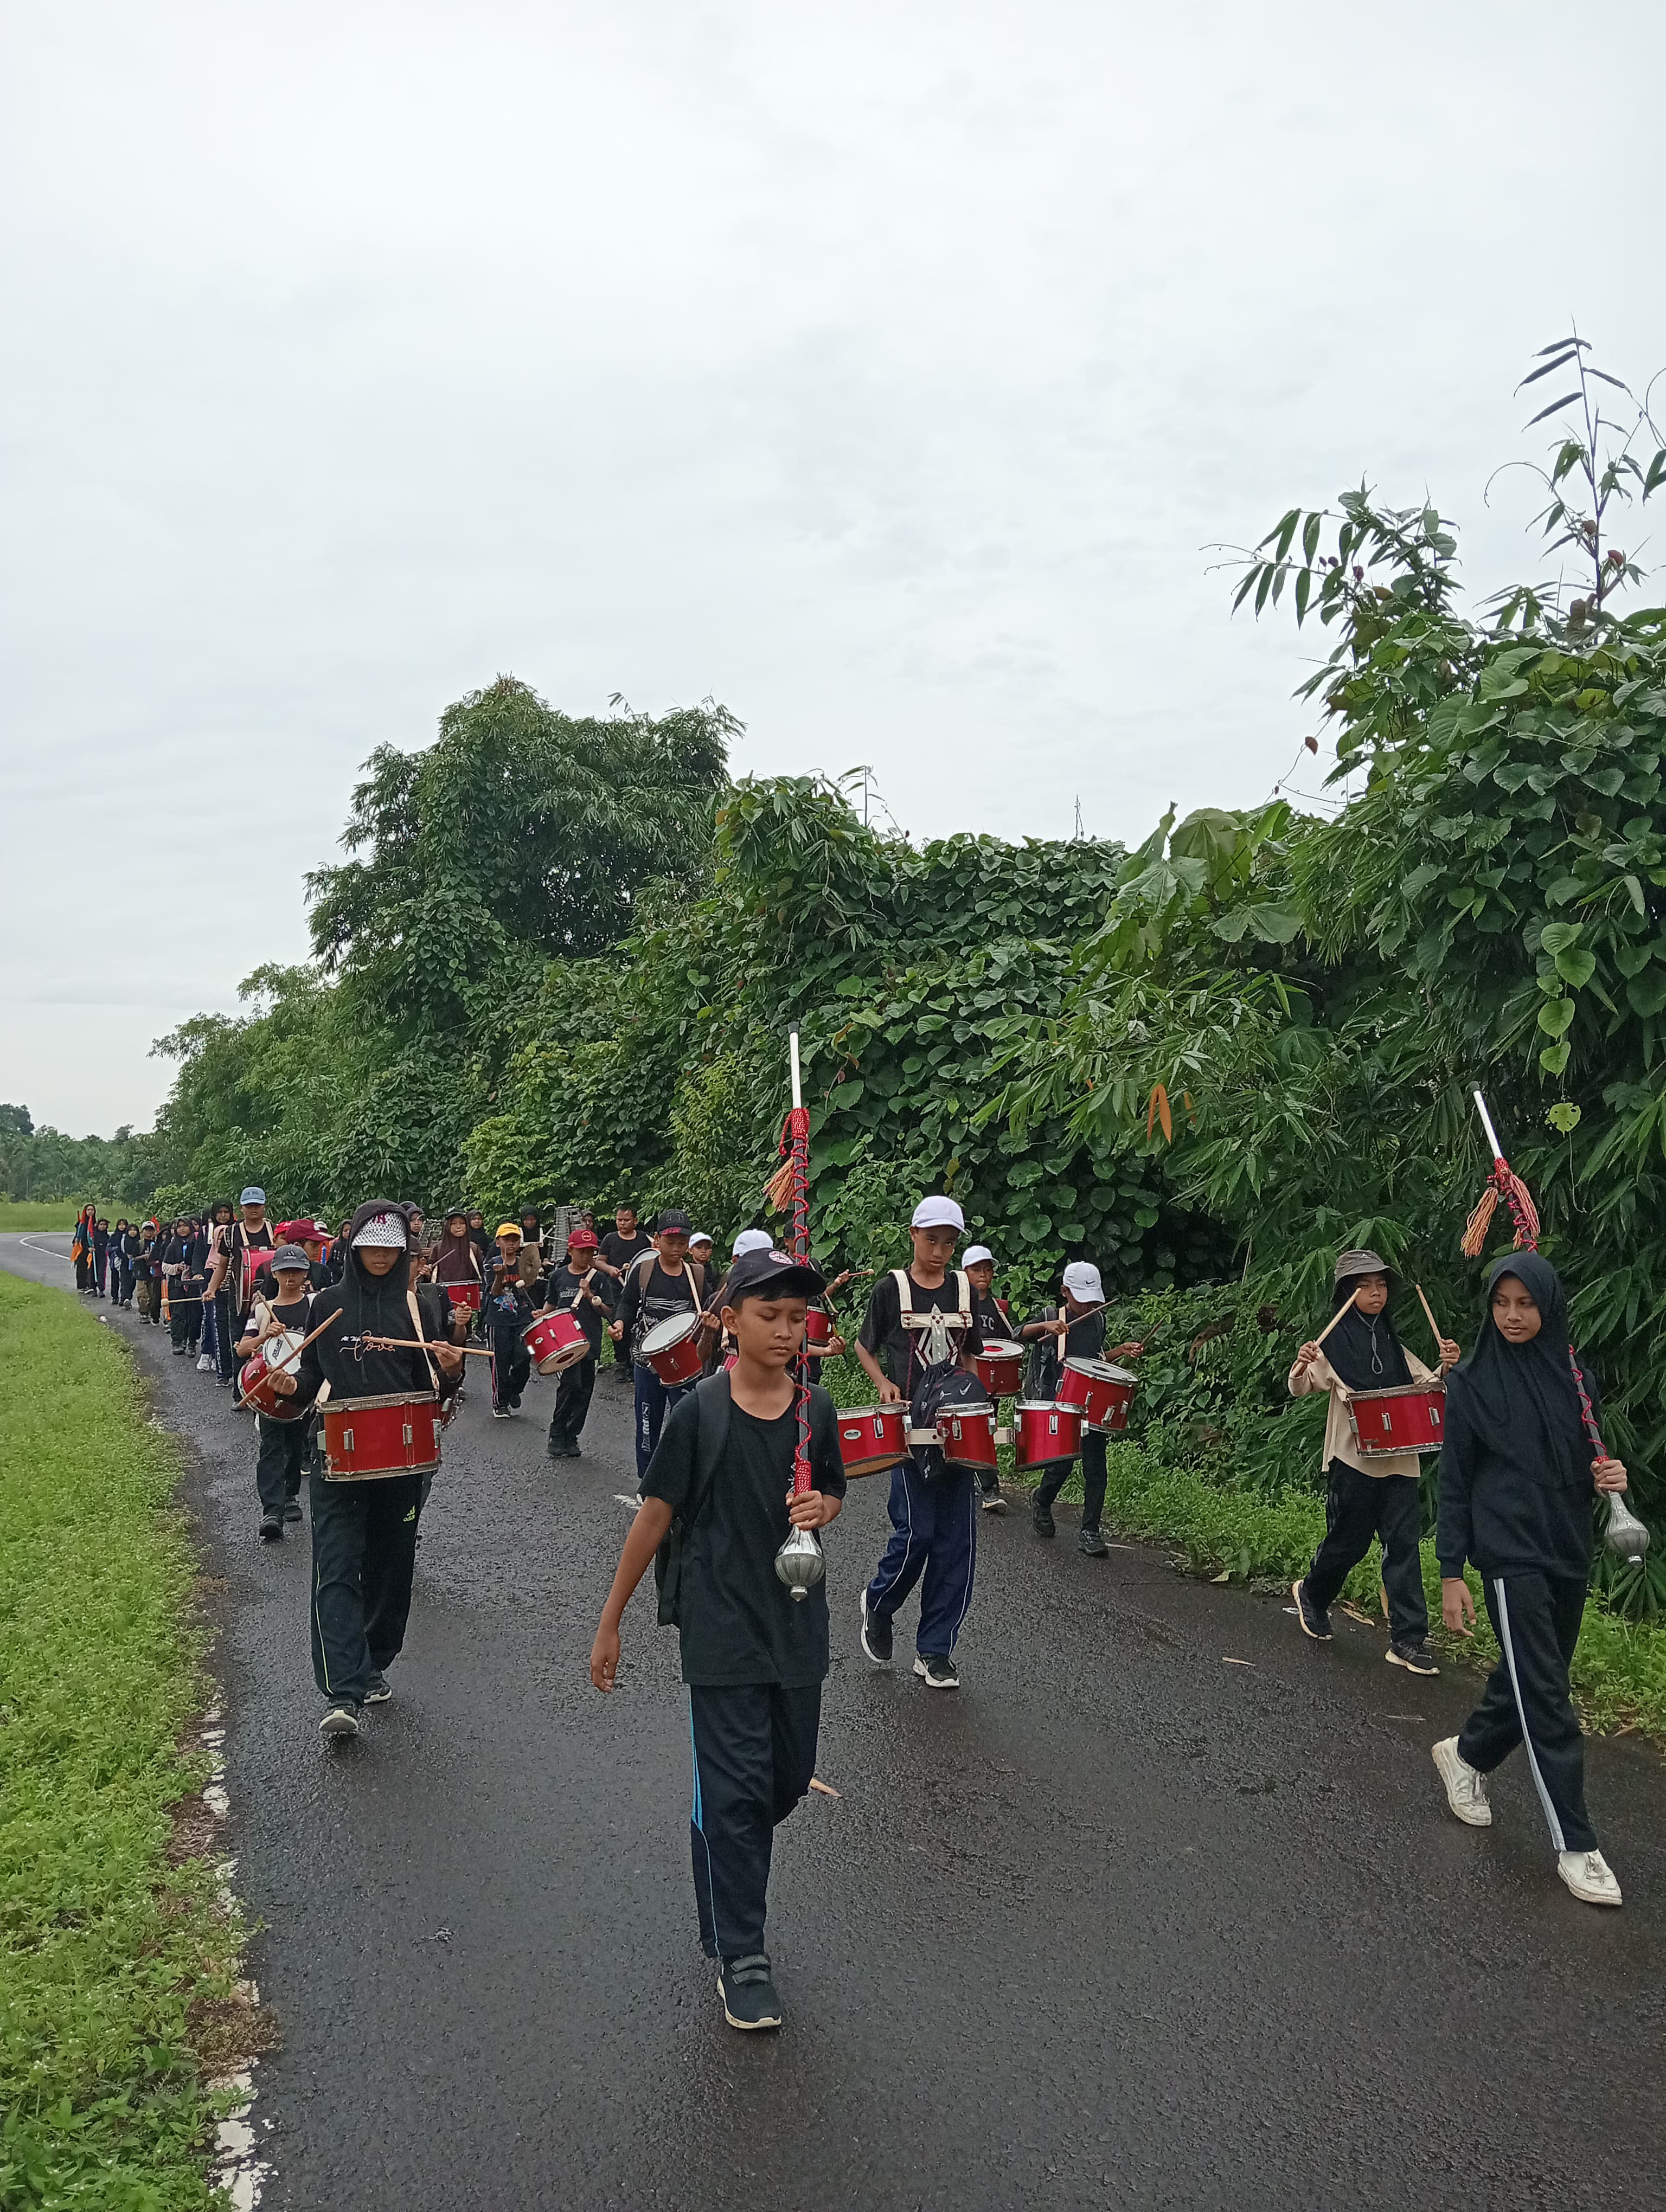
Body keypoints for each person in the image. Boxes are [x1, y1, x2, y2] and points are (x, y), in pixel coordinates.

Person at [589, 1245, 845, 2031]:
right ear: (729, 1320)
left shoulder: (816, 1410)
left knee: (783, 1781)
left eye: (798, 1318)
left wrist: (823, 1509)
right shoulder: (700, 1412)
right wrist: (611, 1619)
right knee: (736, 1794)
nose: (786, 1331)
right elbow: (655, 1515)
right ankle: (743, 1954)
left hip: (796, 1624)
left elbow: (833, 1489)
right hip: (720, 1627)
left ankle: (717, 1838)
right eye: (770, 1316)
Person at [1431, 1253, 1629, 1908]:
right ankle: (1577, 1845)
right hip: (1508, 1554)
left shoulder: (1575, 1379)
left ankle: (1467, 1756)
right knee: (1546, 1695)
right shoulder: (1471, 1384)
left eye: (1526, 1304)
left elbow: (1584, 1461)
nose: (1512, 1316)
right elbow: (1454, 1484)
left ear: (1549, 1307)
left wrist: (1608, 1477)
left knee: (1533, 1679)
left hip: (1566, 1548)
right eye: (1501, 1303)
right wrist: (1452, 1571)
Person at [272, 1202, 464, 1737]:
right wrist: (291, 1387)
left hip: (402, 1464)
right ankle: (343, 1691)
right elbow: (312, 1378)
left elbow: (437, 1388)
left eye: (391, 1249)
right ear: (353, 1248)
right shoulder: (327, 1304)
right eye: (370, 1247)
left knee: (390, 1569)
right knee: (336, 1567)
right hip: (338, 1454)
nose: (380, 1257)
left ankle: (374, 1661)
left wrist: (452, 1370)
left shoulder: (420, 1307)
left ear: (404, 1252)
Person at [1288, 1249, 1459, 1672]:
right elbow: (1300, 1387)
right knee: (1348, 1543)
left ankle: (1408, 1640)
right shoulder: (1332, 1344)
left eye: (1381, 1285)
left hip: (1400, 1460)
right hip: (1354, 1461)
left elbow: (1427, 1385)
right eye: (1364, 1286)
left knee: (1403, 1546)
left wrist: (1447, 1367)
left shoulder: (1392, 1343)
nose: (1376, 1293)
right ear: (1348, 1292)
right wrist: (1302, 1363)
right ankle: (1312, 1593)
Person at [854, 1195, 986, 1689]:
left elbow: (971, 1356)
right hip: (909, 1433)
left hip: (957, 1434)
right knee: (917, 1534)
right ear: (913, 1235)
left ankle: (934, 1651)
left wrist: (974, 1402)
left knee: (956, 1544)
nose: (939, 1251)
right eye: (931, 1240)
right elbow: (864, 1346)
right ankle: (879, 1602)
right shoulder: (891, 1289)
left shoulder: (964, 1290)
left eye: (949, 1243)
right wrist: (883, 1384)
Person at [1020, 1261, 1144, 1558]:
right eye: (1082, 1300)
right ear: (1065, 1292)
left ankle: (1091, 1530)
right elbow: (1018, 1333)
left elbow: (1096, 1361)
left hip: (1092, 1404)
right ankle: (1042, 1500)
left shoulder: (1098, 1320)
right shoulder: (1053, 1316)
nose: (1089, 1306)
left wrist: (1121, 1351)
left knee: (1096, 1469)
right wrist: (1046, 1327)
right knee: (1061, 1465)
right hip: (1060, 1402)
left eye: (1093, 1301)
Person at [615, 1210, 713, 1487]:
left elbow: (709, 1307)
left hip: (686, 1363)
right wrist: (620, 1323)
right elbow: (627, 1303)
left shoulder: (696, 1274)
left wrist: (712, 1325)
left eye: (682, 1243)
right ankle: (647, 1481)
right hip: (648, 1363)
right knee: (648, 1423)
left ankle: (682, 1480)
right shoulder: (644, 1271)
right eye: (670, 1242)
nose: (677, 1248)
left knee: (686, 1423)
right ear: (657, 1240)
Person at [236, 1245, 316, 1541]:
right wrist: (263, 1336)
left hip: (303, 1387)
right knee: (271, 1448)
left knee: (296, 1445)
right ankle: (272, 1510)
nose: (290, 1277)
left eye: (296, 1271)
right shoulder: (263, 1308)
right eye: (285, 1272)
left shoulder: (314, 1305)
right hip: (270, 1389)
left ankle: (290, 1495)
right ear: (275, 1273)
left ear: (306, 1273)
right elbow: (242, 1349)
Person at [540, 1225, 615, 1458]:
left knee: (584, 1391)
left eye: (591, 1251)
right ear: (570, 1250)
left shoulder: (599, 1278)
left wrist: (591, 1295)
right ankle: (557, 1434)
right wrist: (541, 1315)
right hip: (566, 1342)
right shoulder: (558, 1276)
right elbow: (552, 1304)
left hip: (589, 1341)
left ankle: (572, 1436)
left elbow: (608, 1312)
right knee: (570, 1386)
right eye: (582, 1251)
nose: (586, 1256)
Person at [205, 1189, 277, 1389]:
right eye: (249, 1205)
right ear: (242, 1208)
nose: (254, 1209)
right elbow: (222, 1265)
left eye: (257, 1205)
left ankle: (266, 1390)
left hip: (271, 1297)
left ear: (264, 1206)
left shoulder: (274, 1230)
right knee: (239, 1344)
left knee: (269, 1341)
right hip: (238, 1298)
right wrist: (212, 1289)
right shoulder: (230, 1233)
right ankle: (240, 1392)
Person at [962, 1244, 1014, 1513]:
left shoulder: (999, 1308)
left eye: (988, 1269)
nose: (983, 1274)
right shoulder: (957, 1304)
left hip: (991, 1381)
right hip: (960, 1377)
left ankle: (989, 1488)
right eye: (976, 1269)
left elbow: (1008, 1344)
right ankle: (981, 1484)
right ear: (965, 1272)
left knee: (986, 1428)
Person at [484, 1224, 536, 1418]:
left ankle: (514, 1389)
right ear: (498, 1242)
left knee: (525, 1358)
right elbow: (495, 1293)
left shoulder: (525, 1263)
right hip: (498, 1320)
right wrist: (500, 1275)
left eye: (515, 1240)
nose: (511, 1244)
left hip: (522, 1318)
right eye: (507, 1240)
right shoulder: (492, 1264)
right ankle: (500, 1402)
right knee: (500, 1362)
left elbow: (530, 1290)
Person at [598, 1203, 653, 1368]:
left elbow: (653, 1256)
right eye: (619, 1220)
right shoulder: (610, 1239)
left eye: (626, 1220)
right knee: (618, 1321)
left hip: (640, 1289)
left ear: (635, 1221)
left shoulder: (643, 1238)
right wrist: (610, 1269)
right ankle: (622, 1363)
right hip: (616, 1289)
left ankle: (639, 1360)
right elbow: (599, 1261)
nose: (622, 1223)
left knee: (640, 1322)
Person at [161, 1215, 206, 1355]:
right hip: (177, 1284)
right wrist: (176, 1267)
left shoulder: (197, 1243)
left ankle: (192, 1342)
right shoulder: (172, 1246)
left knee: (194, 1314)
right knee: (178, 1313)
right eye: (179, 1227)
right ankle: (178, 1342)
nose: (182, 1229)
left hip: (194, 1283)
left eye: (185, 1226)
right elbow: (164, 1266)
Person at [108, 1219, 138, 1308]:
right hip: (125, 1263)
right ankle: (125, 1298)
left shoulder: (139, 1241)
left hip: (136, 1264)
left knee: (133, 1282)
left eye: (134, 1230)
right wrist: (126, 1256)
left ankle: (128, 1297)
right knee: (125, 1281)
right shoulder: (123, 1240)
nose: (133, 1232)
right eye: (131, 1230)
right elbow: (118, 1251)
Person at [72, 1206, 95, 1293]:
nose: (90, 1212)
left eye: (92, 1210)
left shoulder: (95, 1223)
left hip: (91, 1248)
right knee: (82, 1266)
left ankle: (90, 1284)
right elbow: (79, 1236)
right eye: (89, 1210)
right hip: (82, 1247)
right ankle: (82, 1285)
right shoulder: (82, 1224)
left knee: (91, 1267)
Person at [92, 1217, 110, 1298]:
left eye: (104, 1225)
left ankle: (101, 1289)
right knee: (93, 1272)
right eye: (101, 1224)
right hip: (94, 1255)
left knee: (101, 1273)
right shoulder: (94, 1235)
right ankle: (93, 1288)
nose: (103, 1226)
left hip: (103, 1256)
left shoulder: (107, 1237)